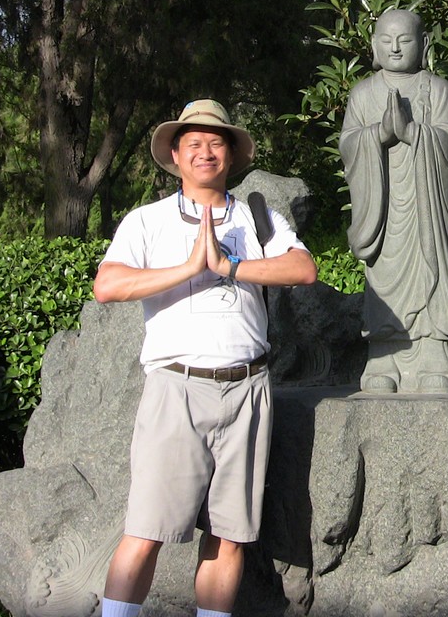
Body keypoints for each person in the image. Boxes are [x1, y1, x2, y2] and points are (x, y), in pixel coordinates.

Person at [94, 99, 317, 617]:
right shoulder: (147, 220)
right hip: (177, 387)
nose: (205, 152)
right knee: (145, 531)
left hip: (247, 389)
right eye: (193, 143)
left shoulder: (257, 217)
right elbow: (108, 285)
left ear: (231, 155)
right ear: (175, 154)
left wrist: (229, 266)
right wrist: (190, 267)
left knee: (230, 536)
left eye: (216, 142)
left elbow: (303, 268)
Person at [340, 9, 448, 393]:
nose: (395, 47)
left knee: (431, 270)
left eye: (404, 40)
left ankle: (438, 356)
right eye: (386, 40)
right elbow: (349, 146)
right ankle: (383, 357)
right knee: (384, 278)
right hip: (383, 210)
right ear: (374, 46)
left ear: (424, 45)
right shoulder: (362, 94)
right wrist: (379, 134)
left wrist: (412, 133)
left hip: (428, 207)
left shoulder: (436, 89)